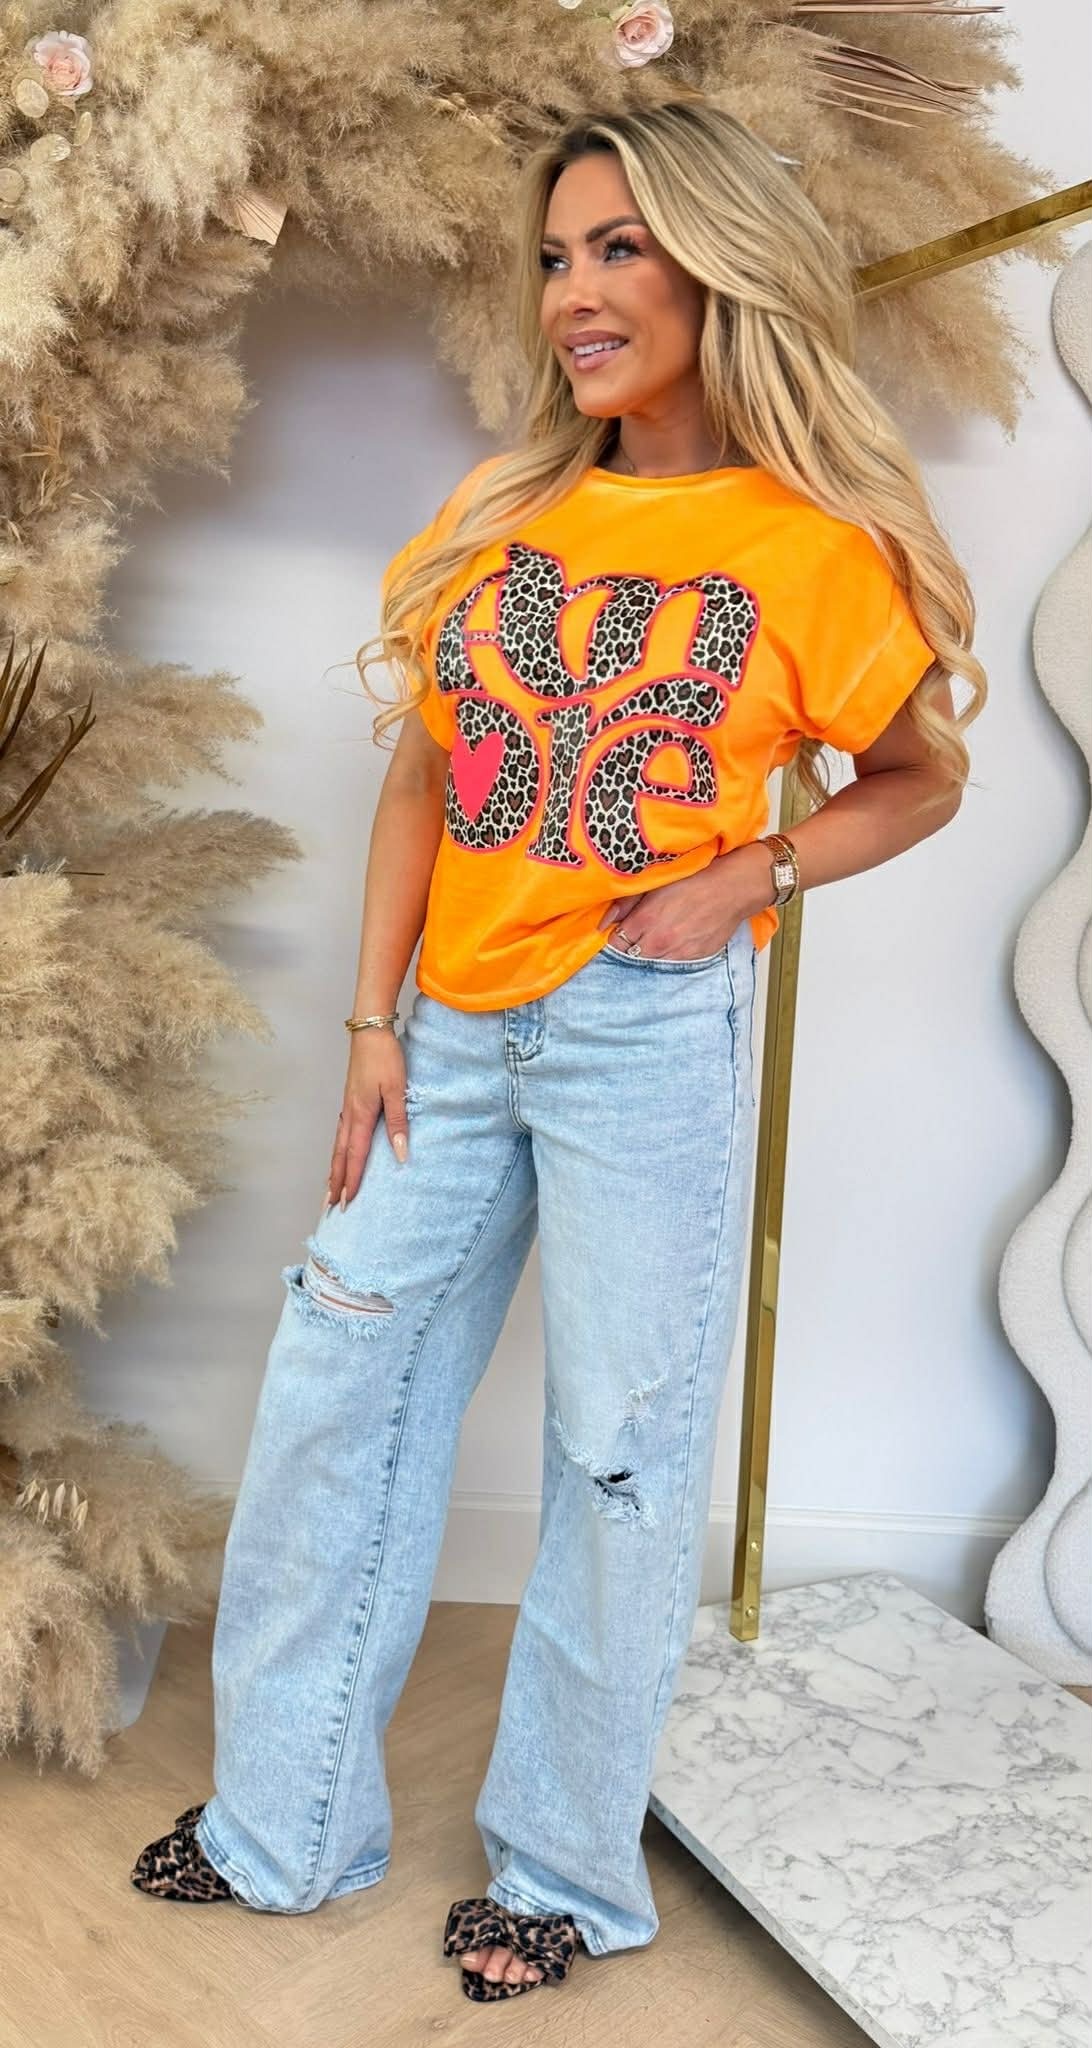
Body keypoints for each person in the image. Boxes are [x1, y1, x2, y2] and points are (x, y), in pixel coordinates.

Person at [130, 100, 983, 2003]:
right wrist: (373, 1023)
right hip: (448, 1026)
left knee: (616, 1451)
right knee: (336, 1385)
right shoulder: (503, 515)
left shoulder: (811, 548)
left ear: (717, 268)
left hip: (641, 1038)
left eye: (616, 249)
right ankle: (284, 1825)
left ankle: (564, 1874)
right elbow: (424, 780)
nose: (573, 294)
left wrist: (750, 875)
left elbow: (918, 777)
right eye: (552, 257)